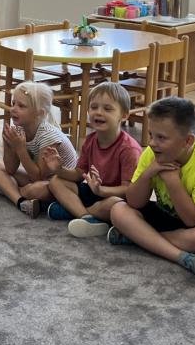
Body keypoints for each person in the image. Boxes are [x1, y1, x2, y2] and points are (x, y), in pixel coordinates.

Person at [107, 96, 195, 278]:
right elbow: (134, 202)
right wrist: (148, 174)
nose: (152, 143)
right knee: (118, 209)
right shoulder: (152, 154)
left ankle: (138, 237)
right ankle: (180, 256)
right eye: (151, 135)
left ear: (188, 141)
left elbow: (193, 221)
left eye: (161, 138)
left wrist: (172, 181)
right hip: (170, 215)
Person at [46, 82, 143, 237]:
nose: (98, 112)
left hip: (114, 197)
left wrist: (101, 190)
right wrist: (59, 169)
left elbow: (128, 190)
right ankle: (87, 217)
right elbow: (79, 174)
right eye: (94, 107)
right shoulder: (90, 140)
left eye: (107, 109)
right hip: (94, 191)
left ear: (124, 115)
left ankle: (72, 211)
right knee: (56, 181)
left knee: (114, 205)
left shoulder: (129, 149)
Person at [0, 81, 78, 217]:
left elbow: (38, 177)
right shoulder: (19, 129)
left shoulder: (48, 136)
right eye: (13, 103)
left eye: (21, 106)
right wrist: (8, 144)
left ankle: (9, 190)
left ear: (39, 113)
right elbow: (10, 169)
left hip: (62, 184)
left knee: (34, 190)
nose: (13, 109)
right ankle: (20, 201)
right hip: (39, 178)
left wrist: (20, 149)